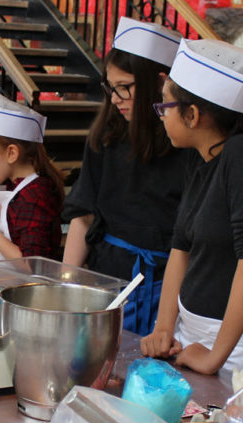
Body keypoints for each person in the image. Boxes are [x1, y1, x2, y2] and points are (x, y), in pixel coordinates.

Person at [140, 38, 243, 386]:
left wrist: (215, 356)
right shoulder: (203, 158)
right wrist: (164, 327)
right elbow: (181, 249)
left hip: (241, 350)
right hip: (194, 337)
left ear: (193, 114)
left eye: (165, 105)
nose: (162, 114)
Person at [62, 18, 199, 335]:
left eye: (125, 88)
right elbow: (83, 216)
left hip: (168, 289)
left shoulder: (188, 146)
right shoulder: (106, 136)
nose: (115, 98)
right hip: (107, 277)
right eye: (110, 87)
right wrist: (66, 283)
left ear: (160, 84)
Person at [0, 93, 64, 269]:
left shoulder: (35, 195)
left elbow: (31, 265)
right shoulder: (11, 185)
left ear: (11, 154)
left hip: (19, 292)